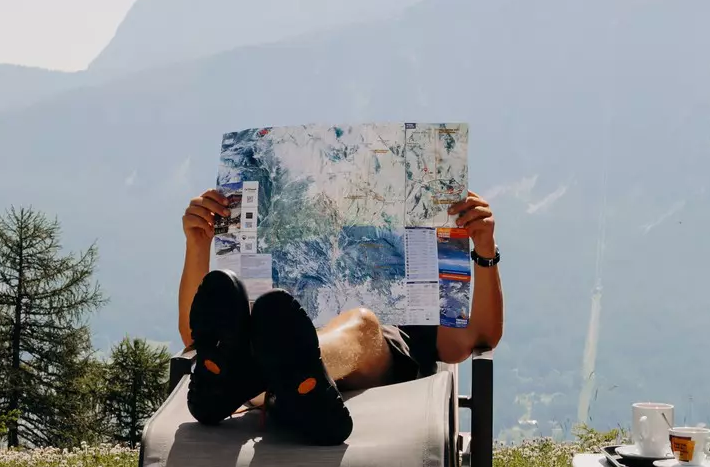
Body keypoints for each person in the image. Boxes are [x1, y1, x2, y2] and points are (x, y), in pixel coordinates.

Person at [176, 188, 504, 444]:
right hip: (277, 346)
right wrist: (199, 243)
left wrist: (485, 249)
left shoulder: (419, 270)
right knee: (271, 322)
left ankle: (251, 376)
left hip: (375, 358)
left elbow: (471, 340)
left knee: (361, 324)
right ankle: (286, 382)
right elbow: (197, 340)